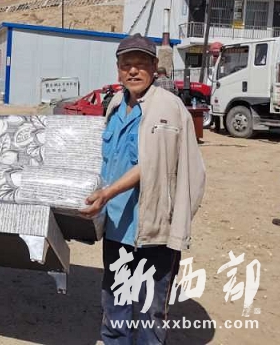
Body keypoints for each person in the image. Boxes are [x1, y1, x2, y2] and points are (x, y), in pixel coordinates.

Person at [81, 33, 206, 344]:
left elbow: (152, 164)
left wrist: (106, 194)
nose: (133, 71)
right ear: (118, 70)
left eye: (140, 64)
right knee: (116, 303)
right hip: (118, 226)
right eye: (126, 65)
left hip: (154, 228)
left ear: (154, 67)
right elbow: (104, 159)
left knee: (151, 308)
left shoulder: (167, 107)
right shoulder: (115, 104)